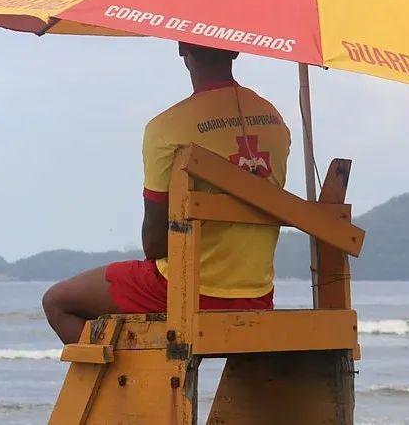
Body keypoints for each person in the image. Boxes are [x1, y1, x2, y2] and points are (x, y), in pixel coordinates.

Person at [42, 42, 291, 344]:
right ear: (235, 50)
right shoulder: (275, 121)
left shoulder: (166, 128)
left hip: (184, 290)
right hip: (257, 294)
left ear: (181, 48)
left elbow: (155, 242)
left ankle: (133, 388)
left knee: (57, 302)